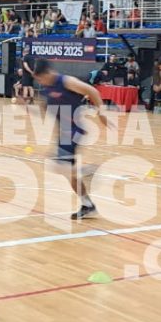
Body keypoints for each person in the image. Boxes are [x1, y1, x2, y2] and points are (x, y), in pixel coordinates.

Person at [31, 59, 107, 220]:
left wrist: (102, 113)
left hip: (75, 130)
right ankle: (88, 205)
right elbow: (48, 110)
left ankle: (88, 171)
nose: (39, 81)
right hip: (64, 133)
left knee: (59, 167)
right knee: (68, 175)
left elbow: (93, 91)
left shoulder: (66, 81)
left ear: (47, 73)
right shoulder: (47, 87)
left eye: (39, 78)